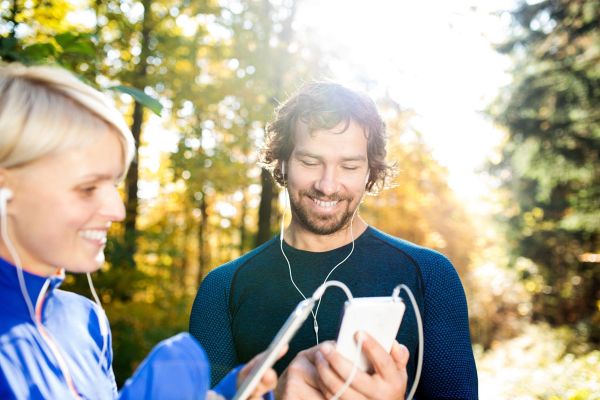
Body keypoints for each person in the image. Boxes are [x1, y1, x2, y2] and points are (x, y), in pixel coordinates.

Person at [0, 63, 280, 399]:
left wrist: (228, 392)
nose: (116, 210)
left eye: (114, 184)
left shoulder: (85, 320)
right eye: (88, 188)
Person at [189, 82, 478, 399]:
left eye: (349, 166)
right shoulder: (222, 287)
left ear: (370, 172)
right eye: (310, 162)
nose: (328, 185)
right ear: (283, 162)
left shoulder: (430, 276)